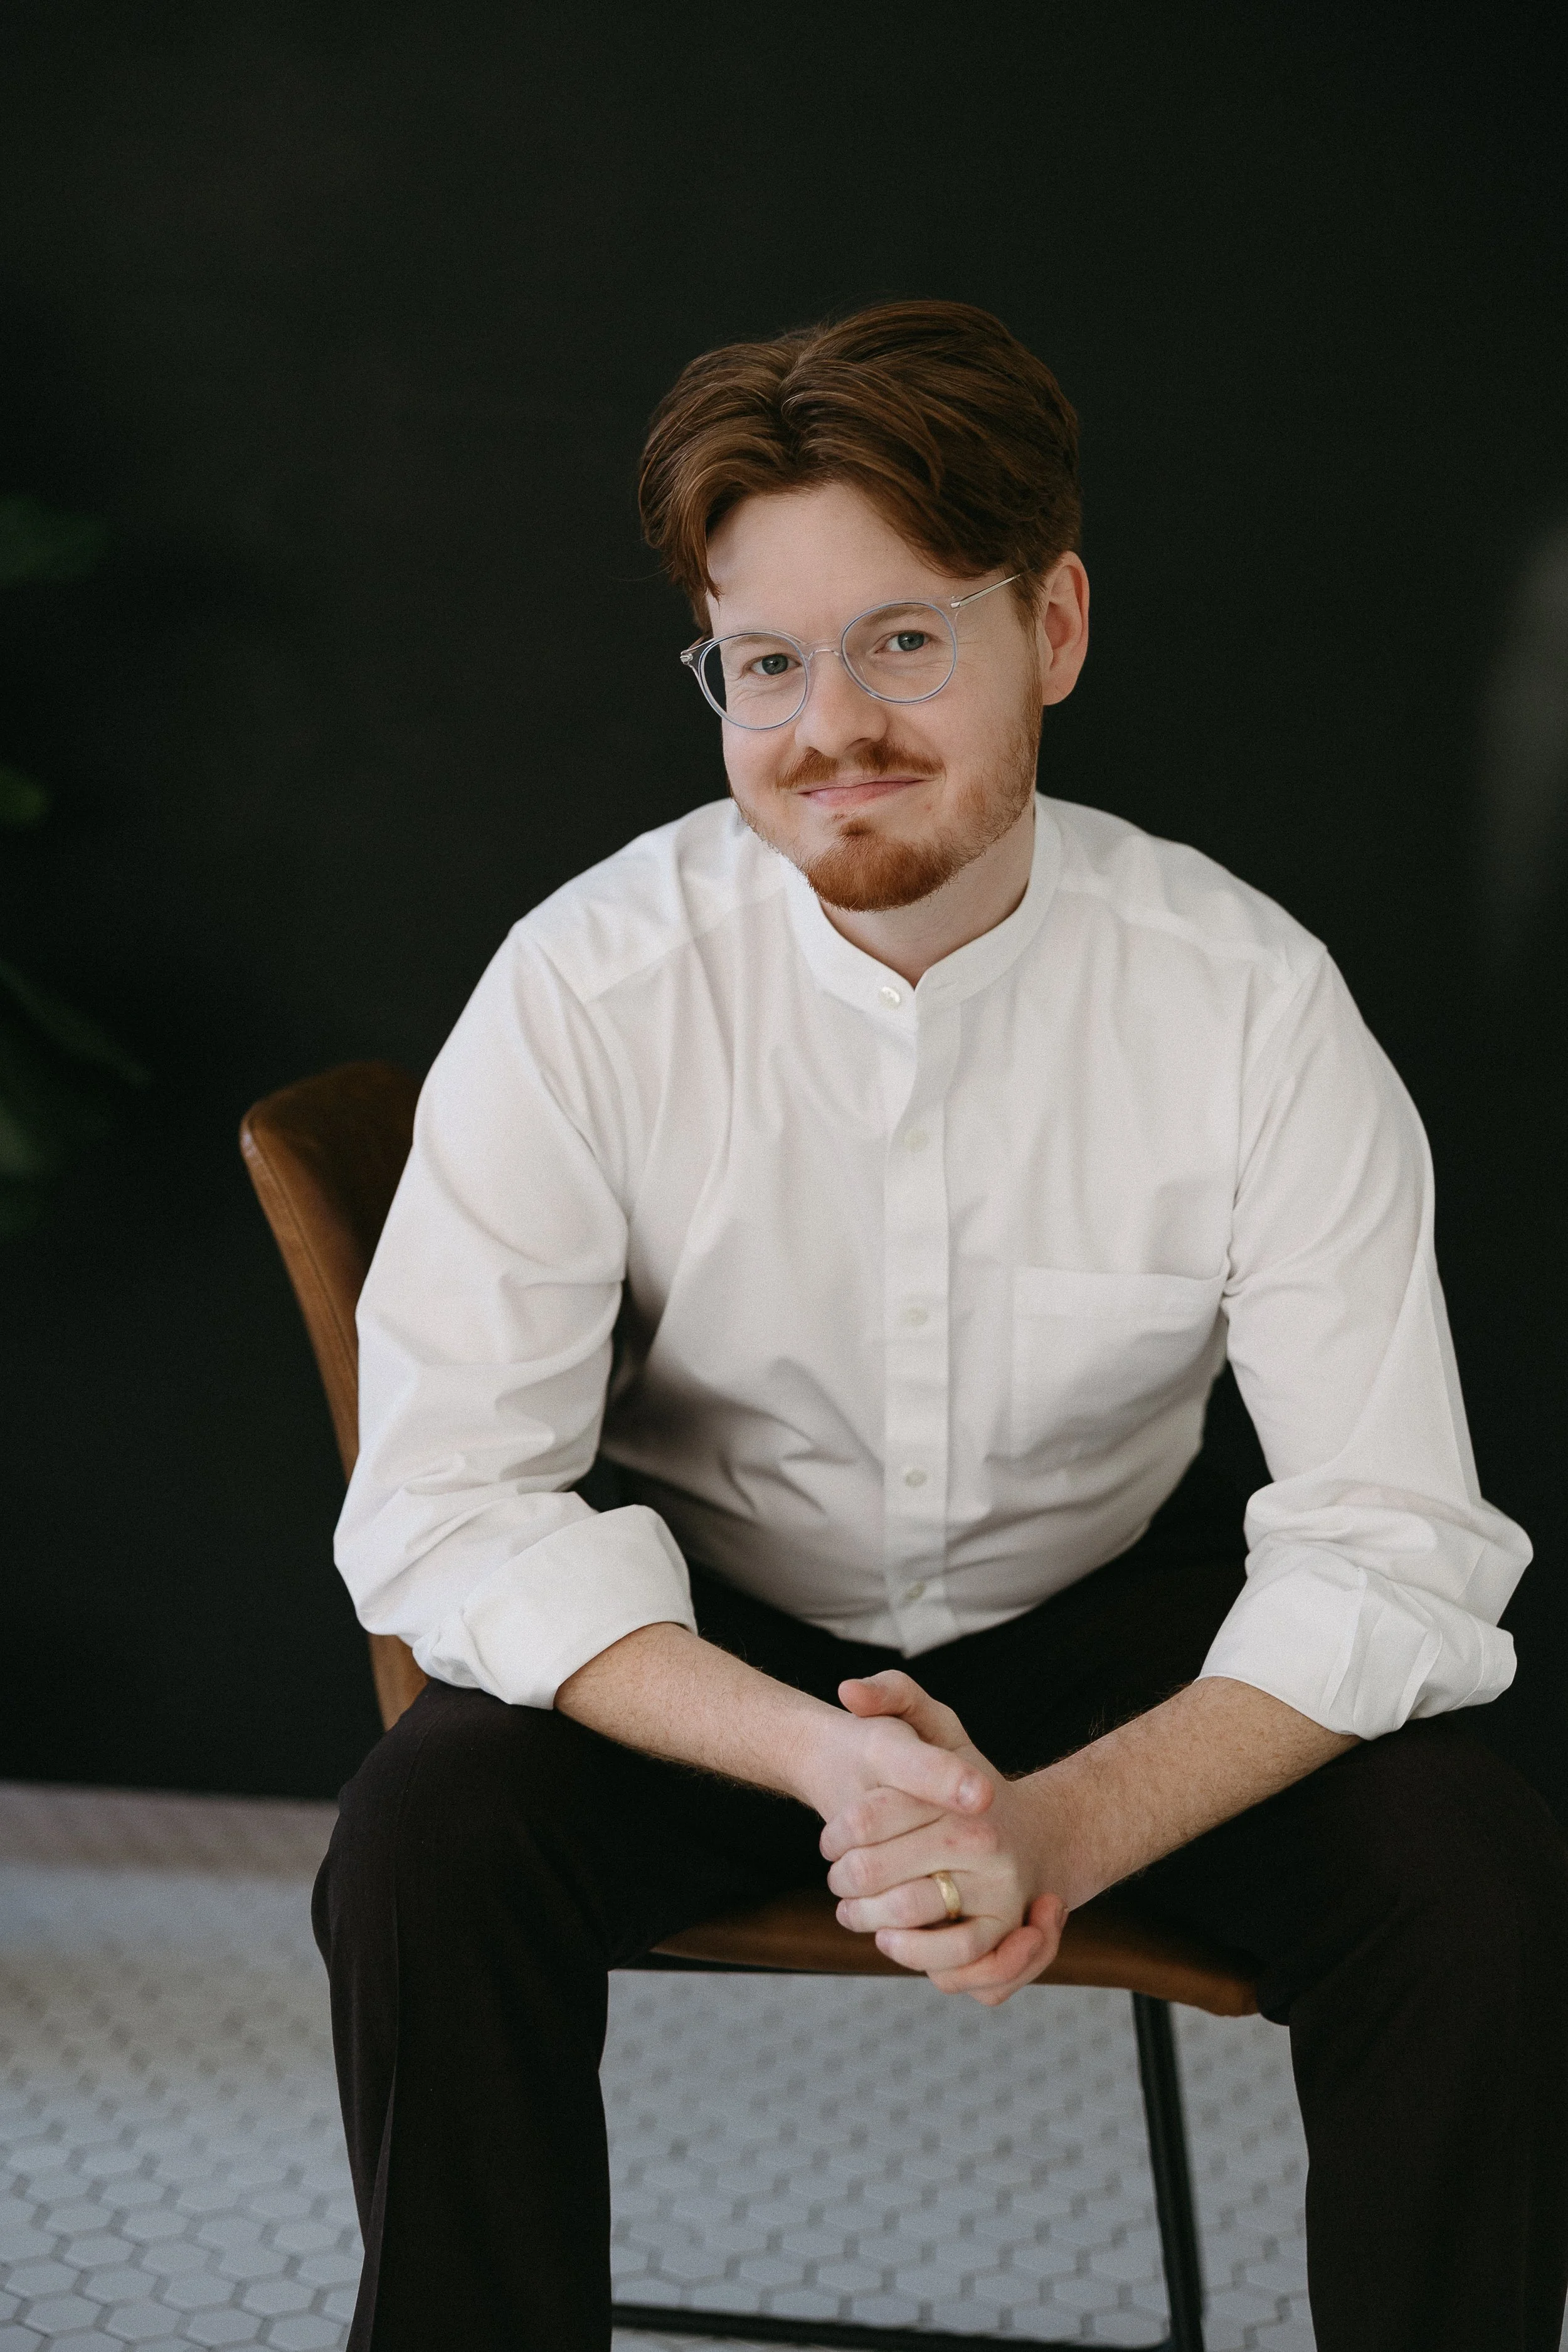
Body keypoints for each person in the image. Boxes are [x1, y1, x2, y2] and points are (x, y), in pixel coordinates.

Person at [313, 300, 1567, 2352]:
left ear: (1050, 629)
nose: (832, 729)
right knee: (422, 1847)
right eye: (767, 662)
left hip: (1103, 1636)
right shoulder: (585, 986)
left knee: (1474, 1872)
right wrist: (830, 1760)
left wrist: (1052, 1821)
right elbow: (452, 1507)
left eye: (906, 640)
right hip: (720, 1646)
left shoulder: (1247, 1001)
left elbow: (1394, 1553)